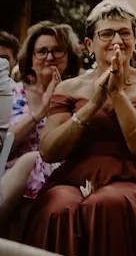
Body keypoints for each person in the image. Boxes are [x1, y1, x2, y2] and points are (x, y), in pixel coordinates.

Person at [22, 0, 136, 256]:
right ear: (89, 44)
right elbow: (49, 150)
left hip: (127, 177)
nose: (117, 40)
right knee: (59, 207)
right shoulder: (70, 88)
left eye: (125, 33)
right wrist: (93, 104)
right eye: (107, 33)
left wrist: (117, 95)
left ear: (134, 40)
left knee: (106, 204)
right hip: (73, 176)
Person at [1, 21, 83, 232]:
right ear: (30, 58)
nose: (49, 57)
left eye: (57, 50)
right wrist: (39, 113)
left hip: (62, 169)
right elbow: (3, 143)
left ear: (69, 57)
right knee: (27, 162)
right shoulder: (12, 92)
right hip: (9, 174)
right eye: (42, 51)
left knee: (31, 160)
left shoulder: (79, 94)